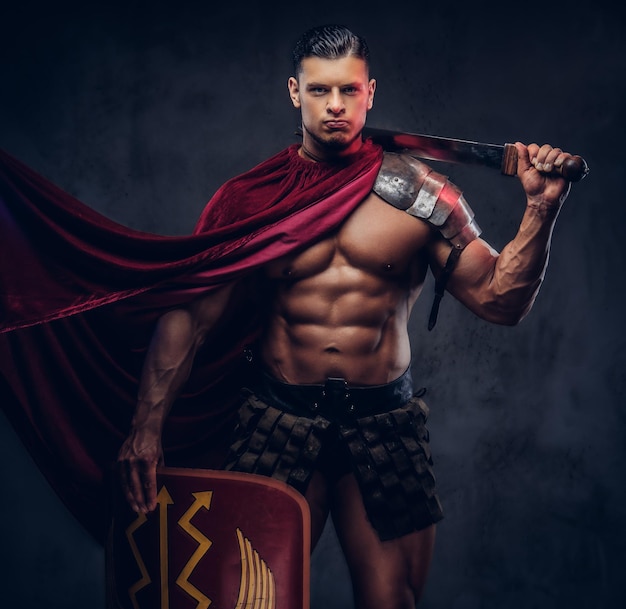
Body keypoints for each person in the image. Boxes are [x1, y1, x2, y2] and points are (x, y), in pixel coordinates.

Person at [116, 24, 576, 609]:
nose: (335, 106)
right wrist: (144, 429)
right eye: (319, 91)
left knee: (392, 601)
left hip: (384, 425)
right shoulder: (252, 201)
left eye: (349, 91)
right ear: (294, 91)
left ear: (370, 92)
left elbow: (499, 301)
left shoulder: (425, 196)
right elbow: (190, 318)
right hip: (276, 418)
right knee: (248, 601)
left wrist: (539, 209)